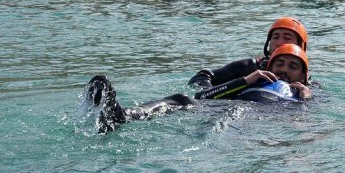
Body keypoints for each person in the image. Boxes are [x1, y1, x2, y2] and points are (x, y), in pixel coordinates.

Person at [84, 44, 312, 133]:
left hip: (256, 122)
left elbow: (305, 122)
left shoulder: (304, 93)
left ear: (303, 75)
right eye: (279, 64)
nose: (284, 70)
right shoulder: (254, 77)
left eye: (293, 67)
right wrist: (246, 81)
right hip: (229, 108)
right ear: (269, 64)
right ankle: (123, 115)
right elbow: (202, 96)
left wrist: (305, 98)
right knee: (181, 99)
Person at [188, 17, 309, 90]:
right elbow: (202, 76)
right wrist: (209, 95)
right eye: (275, 37)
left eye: (287, 38)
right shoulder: (249, 67)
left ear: (300, 47)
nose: (279, 43)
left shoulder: (306, 83)